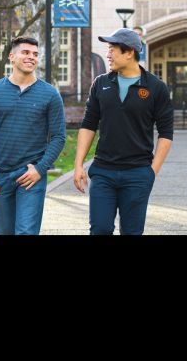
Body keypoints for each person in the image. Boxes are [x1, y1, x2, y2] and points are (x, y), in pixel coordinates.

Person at [73, 28, 173, 235]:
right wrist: (78, 164)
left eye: (112, 49)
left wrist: (151, 172)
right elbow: (89, 125)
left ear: (129, 52)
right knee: (99, 229)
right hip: (103, 171)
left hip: (138, 173)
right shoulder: (100, 84)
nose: (108, 54)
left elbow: (166, 133)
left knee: (132, 232)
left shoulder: (156, 87)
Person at [0, 36, 66, 235]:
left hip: (31, 175)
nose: (31, 57)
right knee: (3, 232)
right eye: (25, 52)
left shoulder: (50, 94)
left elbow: (59, 136)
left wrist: (40, 169)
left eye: (35, 54)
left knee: (26, 232)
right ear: (12, 56)